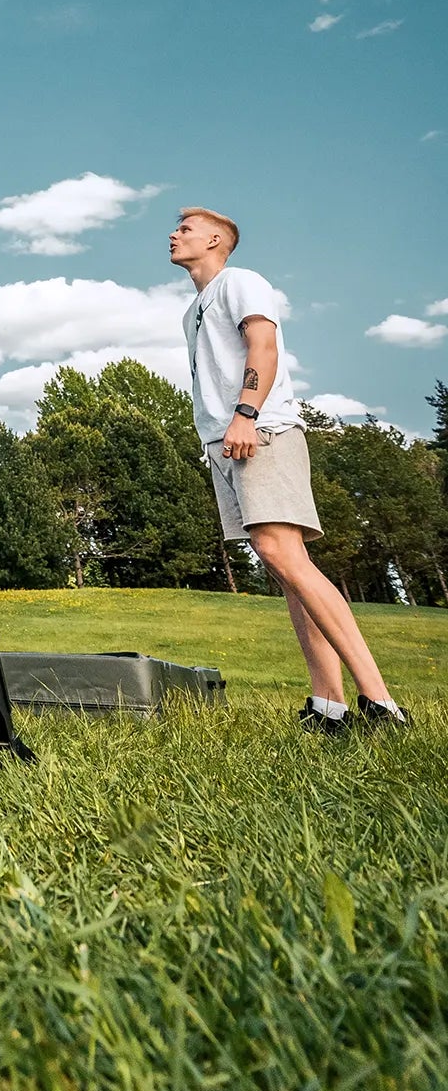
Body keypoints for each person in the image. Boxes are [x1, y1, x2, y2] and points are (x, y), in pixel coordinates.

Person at [169, 208, 410, 732]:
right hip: (226, 443)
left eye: (185, 229)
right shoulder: (195, 310)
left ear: (215, 239)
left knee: (282, 552)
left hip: (261, 432)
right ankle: (330, 707)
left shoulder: (240, 282)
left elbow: (264, 345)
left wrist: (246, 415)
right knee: (283, 566)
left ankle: (382, 704)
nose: (174, 234)